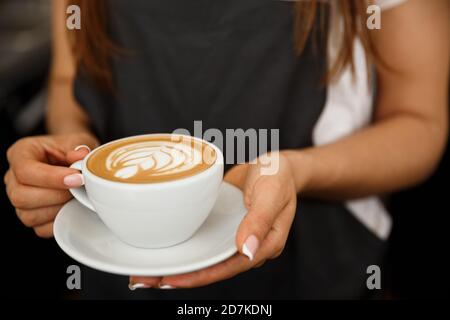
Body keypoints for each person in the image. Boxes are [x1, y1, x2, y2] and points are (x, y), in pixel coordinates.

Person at [4, 0, 449, 299]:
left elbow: (419, 122)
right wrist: (74, 163)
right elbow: (68, 82)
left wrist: (296, 169)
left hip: (316, 266)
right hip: (116, 267)